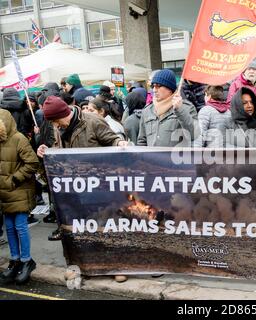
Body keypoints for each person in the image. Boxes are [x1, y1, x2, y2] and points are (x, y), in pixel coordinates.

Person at [37, 96, 128, 282]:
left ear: (64, 114)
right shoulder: (56, 127)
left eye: (56, 121)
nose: (55, 125)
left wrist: (120, 144)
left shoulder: (92, 122)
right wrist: (45, 151)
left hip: (98, 186)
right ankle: (78, 265)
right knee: (76, 231)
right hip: (72, 188)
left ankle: (116, 266)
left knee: (106, 227)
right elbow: (56, 151)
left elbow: (112, 140)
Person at [0, 109, 40, 285]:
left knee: (20, 226)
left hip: (19, 190)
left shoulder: (18, 139)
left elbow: (32, 163)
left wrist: (15, 179)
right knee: (9, 227)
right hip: (5, 193)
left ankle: (26, 261)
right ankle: (15, 260)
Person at [137, 69, 198, 147]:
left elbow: (194, 134)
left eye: (158, 86)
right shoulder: (147, 110)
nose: (155, 90)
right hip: (151, 159)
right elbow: (142, 141)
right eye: (153, 86)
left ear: (170, 89)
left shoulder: (186, 107)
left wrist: (180, 110)